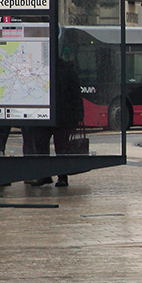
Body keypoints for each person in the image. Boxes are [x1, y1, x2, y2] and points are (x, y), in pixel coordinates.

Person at [26, 52, 85, 187]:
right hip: (47, 115)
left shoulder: (66, 69)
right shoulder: (41, 69)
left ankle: (61, 176)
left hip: (62, 116)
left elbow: (75, 94)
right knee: (43, 146)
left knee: (60, 148)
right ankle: (46, 175)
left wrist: (78, 114)